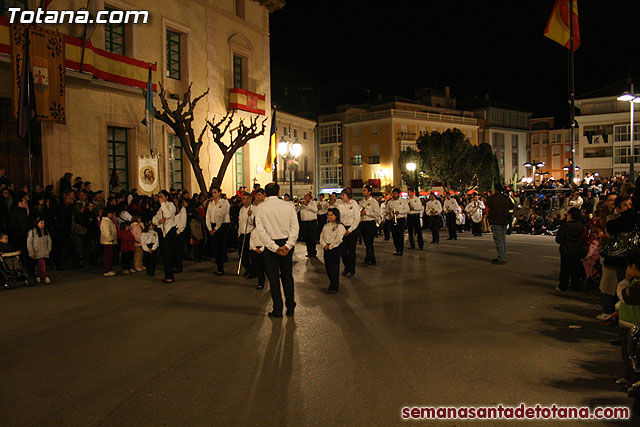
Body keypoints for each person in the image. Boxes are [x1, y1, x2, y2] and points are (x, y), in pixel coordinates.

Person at [254, 182, 299, 318]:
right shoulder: (289, 206)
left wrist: (273, 247)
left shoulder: (261, 208)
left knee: (273, 278)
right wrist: (288, 245)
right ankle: (290, 306)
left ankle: (277, 309)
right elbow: (294, 227)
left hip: (270, 245)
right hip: (285, 243)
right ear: (279, 192)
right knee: (287, 275)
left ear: (266, 193)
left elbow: (260, 231)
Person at [555, 207, 586, 291]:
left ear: (570, 215)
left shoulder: (565, 226)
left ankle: (563, 285)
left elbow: (559, 239)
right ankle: (575, 285)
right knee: (576, 268)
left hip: (566, 249)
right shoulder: (581, 226)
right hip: (577, 249)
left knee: (565, 269)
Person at [153, 190, 178, 283]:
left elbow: (168, 215)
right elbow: (154, 218)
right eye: (159, 197)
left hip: (169, 231)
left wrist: (163, 204)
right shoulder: (159, 207)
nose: (160, 199)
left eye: (162, 197)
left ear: (166, 197)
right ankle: (167, 274)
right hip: (161, 231)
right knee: (164, 254)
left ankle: (170, 275)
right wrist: (158, 221)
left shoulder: (170, 205)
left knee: (169, 254)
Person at [485, 185, 514, 265]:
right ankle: (503, 256)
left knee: (499, 240)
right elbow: (512, 206)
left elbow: (487, 204)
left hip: (496, 220)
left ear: (495, 190)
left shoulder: (493, 198)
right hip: (504, 220)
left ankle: (501, 258)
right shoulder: (506, 198)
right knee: (503, 239)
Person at [320, 207, 346, 294]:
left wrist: (330, 246)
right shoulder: (326, 225)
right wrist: (324, 245)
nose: (329, 217)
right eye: (328, 215)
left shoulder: (340, 226)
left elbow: (339, 239)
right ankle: (331, 282)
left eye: (331, 215)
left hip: (335, 248)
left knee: (334, 267)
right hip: (326, 248)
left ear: (336, 215)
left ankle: (334, 285)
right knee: (328, 267)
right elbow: (321, 237)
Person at [206, 186, 231, 275]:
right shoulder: (211, 203)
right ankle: (219, 267)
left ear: (219, 193)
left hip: (222, 226)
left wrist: (216, 228)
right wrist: (209, 228)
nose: (213, 194)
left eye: (215, 192)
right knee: (215, 247)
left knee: (220, 246)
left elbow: (222, 216)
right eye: (212, 192)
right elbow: (208, 216)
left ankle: (221, 267)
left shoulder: (224, 203)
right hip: (213, 225)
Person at [336, 187, 360, 277]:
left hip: (352, 229)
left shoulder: (354, 204)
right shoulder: (340, 205)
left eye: (343, 195)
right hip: (342, 228)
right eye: (341, 195)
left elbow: (357, 219)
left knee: (351, 250)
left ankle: (351, 269)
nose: (342, 197)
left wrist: (350, 230)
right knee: (342, 250)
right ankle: (347, 266)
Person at [249, 189, 267, 289]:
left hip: (265, 232)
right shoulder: (254, 206)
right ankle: (260, 281)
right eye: (256, 196)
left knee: (266, 264)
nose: (257, 198)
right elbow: (252, 220)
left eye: (259, 195)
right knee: (257, 264)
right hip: (256, 242)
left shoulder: (266, 205)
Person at [27, 218, 52, 284]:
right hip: (37, 251)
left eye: (43, 223)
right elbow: (29, 243)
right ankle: (45, 276)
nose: (43, 224)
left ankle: (39, 276)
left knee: (40, 264)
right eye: (41, 223)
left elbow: (49, 240)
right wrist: (31, 252)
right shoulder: (32, 232)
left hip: (44, 251)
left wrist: (49, 249)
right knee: (42, 263)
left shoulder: (45, 231)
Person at [359, 185, 380, 265]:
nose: (363, 192)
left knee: (369, 242)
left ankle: (367, 259)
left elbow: (377, 214)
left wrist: (367, 212)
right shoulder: (361, 202)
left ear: (369, 192)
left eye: (365, 190)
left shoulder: (374, 202)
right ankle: (372, 259)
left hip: (370, 223)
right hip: (363, 223)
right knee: (367, 243)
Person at [386, 188, 409, 255]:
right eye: (393, 193)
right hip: (393, 219)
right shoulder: (390, 202)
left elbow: (407, 209)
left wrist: (399, 212)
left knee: (400, 235)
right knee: (394, 235)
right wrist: (390, 213)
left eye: (395, 193)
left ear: (398, 194)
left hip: (400, 219)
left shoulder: (403, 201)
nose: (394, 195)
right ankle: (397, 249)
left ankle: (401, 249)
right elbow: (387, 210)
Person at [237, 192, 255, 277]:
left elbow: (253, 223)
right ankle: (248, 268)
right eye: (243, 199)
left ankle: (253, 271)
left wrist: (250, 216)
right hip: (242, 232)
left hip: (250, 232)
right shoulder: (241, 209)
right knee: (241, 252)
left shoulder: (254, 209)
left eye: (247, 199)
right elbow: (240, 222)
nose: (245, 201)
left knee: (250, 253)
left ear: (250, 199)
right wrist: (239, 233)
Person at [298, 192, 318, 258]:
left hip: (312, 222)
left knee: (312, 238)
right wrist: (298, 205)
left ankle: (313, 252)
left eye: (306, 196)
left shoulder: (313, 203)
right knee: (306, 238)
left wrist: (307, 205)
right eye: (304, 196)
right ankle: (309, 252)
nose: (305, 198)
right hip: (304, 223)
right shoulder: (302, 204)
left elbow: (315, 210)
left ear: (310, 197)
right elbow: (297, 211)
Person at [100, 208, 118, 277]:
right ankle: (107, 270)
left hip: (110, 241)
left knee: (110, 256)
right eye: (110, 213)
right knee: (107, 256)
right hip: (107, 242)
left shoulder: (109, 221)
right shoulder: (105, 221)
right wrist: (111, 238)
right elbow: (106, 232)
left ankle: (109, 269)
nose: (112, 214)